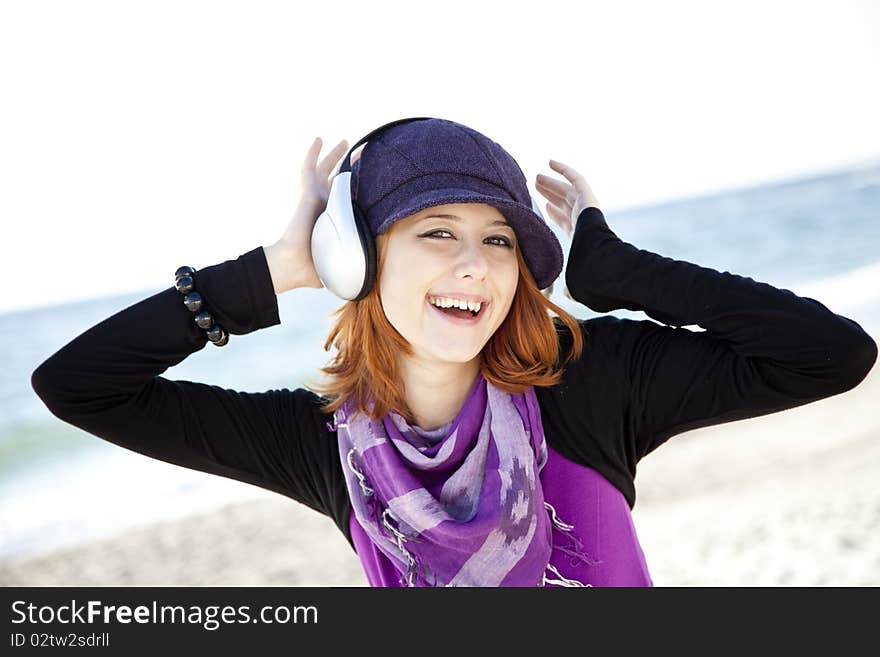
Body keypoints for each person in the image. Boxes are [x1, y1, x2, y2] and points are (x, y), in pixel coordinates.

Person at [31, 118, 877, 587]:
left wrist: (620, 271)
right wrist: (273, 272)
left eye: (500, 239)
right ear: (360, 258)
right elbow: (78, 385)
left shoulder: (593, 381)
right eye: (436, 231)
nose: (473, 262)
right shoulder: (324, 447)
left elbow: (830, 354)